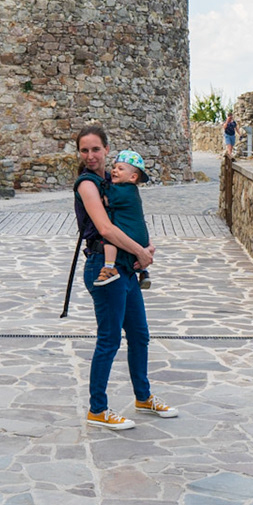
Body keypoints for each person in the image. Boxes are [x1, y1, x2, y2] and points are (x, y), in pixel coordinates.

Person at [74, 124, 177, 430]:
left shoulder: (115, 179)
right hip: (104, 267)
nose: (91, 155)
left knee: (139, 335)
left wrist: (145, 246)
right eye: (84, 150)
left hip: (126, 267)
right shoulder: (87, 184)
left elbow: (131, 217)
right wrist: (141, 253)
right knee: (109, 340)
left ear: (107, 149)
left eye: (96, 149)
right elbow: (106, 229)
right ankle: (97, 409)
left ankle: (143, 397)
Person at [93, 150, 151, 290]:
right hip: (141, 236)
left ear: (133, 177)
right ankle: (143, 272)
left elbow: (107, 197)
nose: (114, 171)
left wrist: (97, 185)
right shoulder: (132, 191)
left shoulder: (124, 191)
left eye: (120, 169)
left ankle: (109, 268)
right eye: (114, 167)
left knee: (110, 238)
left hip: (130, 233)